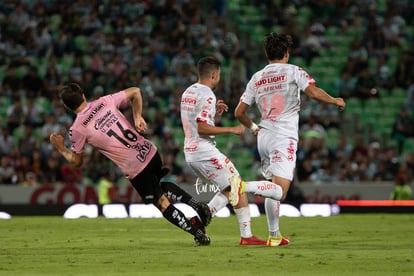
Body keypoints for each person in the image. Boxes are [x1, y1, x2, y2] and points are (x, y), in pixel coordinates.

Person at [49, 83, 212, 246]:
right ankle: (197, 206)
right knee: (159, 187)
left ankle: (198, 234)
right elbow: (135, 91)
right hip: (150, 151)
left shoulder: (77, 129)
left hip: (135, 167)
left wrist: (61, 148)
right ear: (83, 95)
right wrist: (137, 116)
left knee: (161, 203)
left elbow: (77, 162)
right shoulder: (104, 101)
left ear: (66, 106)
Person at [234, 33, 345, 246]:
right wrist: (334, 100)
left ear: (267, 54)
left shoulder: (257, 77)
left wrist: (253, 127)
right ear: (286, 53)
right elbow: (312, 92)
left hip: (263, 136)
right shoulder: (293, 70)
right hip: (283, 136)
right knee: (280, 191)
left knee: (271, 186)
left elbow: (239, 112)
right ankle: (242, 187)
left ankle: (274, 235)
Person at [180, 55, 284, 246]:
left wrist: (213, 112)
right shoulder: (207, 95)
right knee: (237, 184)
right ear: (214, 74)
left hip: (191, 153)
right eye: (219, 74)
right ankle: (246, 236)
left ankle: (199, 220)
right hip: (204, 152)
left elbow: (195, 122)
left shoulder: (188, 92)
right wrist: (231, 129)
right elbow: (202, 128)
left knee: (229, 189)